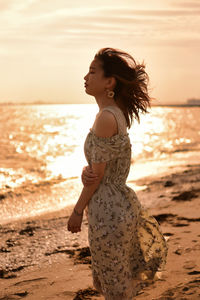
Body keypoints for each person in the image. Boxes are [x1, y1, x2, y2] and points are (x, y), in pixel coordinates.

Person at [67, 48, 168, 299]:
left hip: (109, 211)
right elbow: (101, 168)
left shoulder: (105, 117)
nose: (85, 77)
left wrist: (77, 211)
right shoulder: (114, 114)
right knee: (116, 283)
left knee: (115, 288)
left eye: (92, 71)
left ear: (109, 81)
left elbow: (98, 176)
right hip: (117, 205)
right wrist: (88, 170)